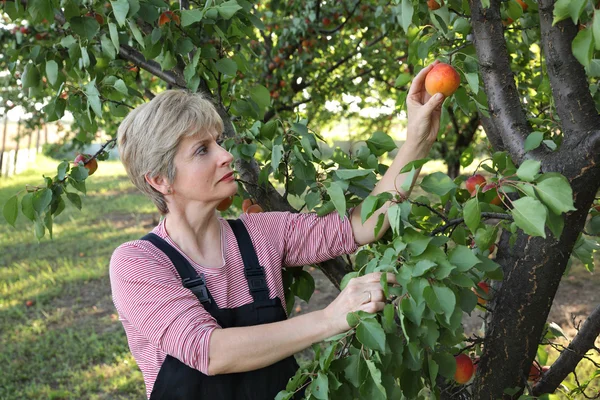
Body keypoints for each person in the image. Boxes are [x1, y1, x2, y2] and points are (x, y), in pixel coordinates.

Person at [110, 61, 444, 400]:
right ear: (160, 180)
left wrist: (417, 140)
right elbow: (210, 352)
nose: (226, 155)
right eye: (202, 150)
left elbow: (363, 224)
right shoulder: (137, 263)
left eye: (218, 141)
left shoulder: (261, 234)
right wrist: (330, 318)